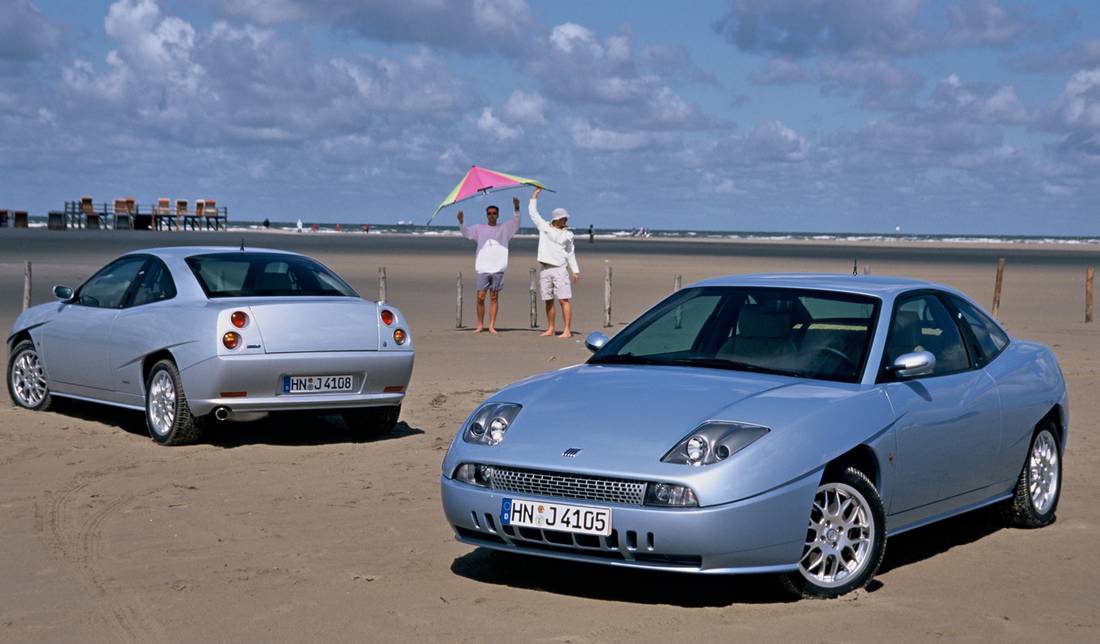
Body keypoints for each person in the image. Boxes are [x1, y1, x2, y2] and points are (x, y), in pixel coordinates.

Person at [458, 197, 521, 334]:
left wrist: (516, 208)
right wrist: (461, 222)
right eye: (489, 213)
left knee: (494, 297)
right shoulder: (479, 228)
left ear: (498, 215)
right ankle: (480, 324)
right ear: (486, 215)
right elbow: (466, 233)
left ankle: (491, 325)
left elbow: (516, 223)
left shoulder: (504, 228)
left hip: (498, 267)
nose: (492, 215)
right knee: (480, 297)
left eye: (494, 213)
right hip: (483, 267)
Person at [529, 187, 579, 338]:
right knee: (548, 299)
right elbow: (533, 214)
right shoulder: (544, 226)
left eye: (565, 218)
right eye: (562, 218)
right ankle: (551, 328)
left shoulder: (568, 234)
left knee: (564, 299)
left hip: (559, 268)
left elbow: (571, 254)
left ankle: (567, 330)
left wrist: (575, 270)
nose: (565, 220)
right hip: (545, 268)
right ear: (556, 219)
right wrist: (534, 196)